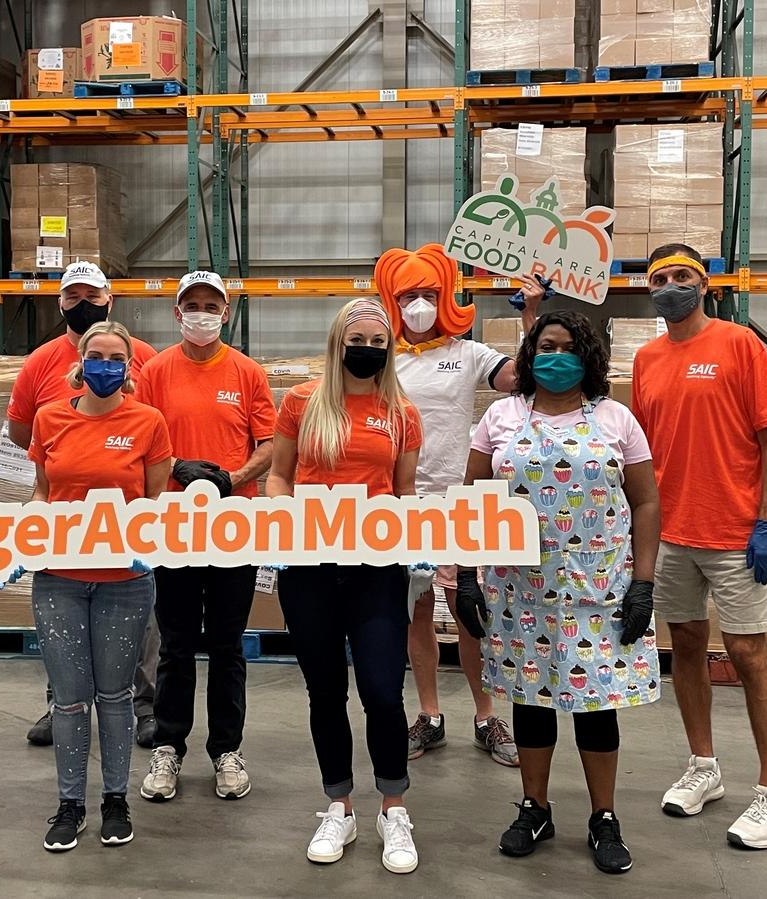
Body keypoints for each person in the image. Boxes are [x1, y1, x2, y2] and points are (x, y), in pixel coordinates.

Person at [457, 309, 661, 875]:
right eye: (545, 345)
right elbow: (471, 500)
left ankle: (604, 818)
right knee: (531, 699)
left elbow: (645, 501)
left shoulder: (617, 419)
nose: (556, 355)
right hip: (518, 588)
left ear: (588, 356)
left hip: (600, 587)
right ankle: (535, 808)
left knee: (596, 705)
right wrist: (468, 575)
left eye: (568, 346)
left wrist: (643, 583)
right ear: (528, 353)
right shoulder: (499, 416)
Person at [632, 244, 767, 850]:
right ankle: (704, 767)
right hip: (672, 533)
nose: (671, 286)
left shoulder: (738, 344)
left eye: (682, 277)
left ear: (705, 286)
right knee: (688, 649)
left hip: (734, 534)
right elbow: (642, 453)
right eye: (661, 279)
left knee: (750, 654)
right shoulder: (648, 359)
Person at [266, 299, 422, 875]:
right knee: (325, 691)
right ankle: (339, 804)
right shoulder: (302, 402)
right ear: (338, 342)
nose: (368, 349)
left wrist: (420, 547)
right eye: (358, 339)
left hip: (377, 572)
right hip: (309, 568)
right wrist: (283, 518)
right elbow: (279, 474)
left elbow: (404, 491)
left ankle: (394, 808)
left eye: (379, 343)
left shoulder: (401, 411)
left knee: (383, 690)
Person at [375, 244, 543, 766]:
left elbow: (523, 379)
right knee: (414, 614)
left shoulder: (468, 354)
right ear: (392, 301)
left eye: (428, 293)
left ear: (445, 296)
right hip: (400, 504)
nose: (419, 304)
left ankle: (486, 716)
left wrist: (532, 315)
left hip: (460, 502)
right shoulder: (380, 358)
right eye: (408, 296)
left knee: (471, 613)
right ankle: (428, 715)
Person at [24, 321, 172, 851]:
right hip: (59, 577)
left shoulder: (148, 421)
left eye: (116, 358)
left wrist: (146, 548)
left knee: (115, 696)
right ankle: (69, 805)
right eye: (96, 355)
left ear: (129, 367)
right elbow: (43, 493)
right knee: (67, 699)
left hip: (124, 582)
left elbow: (155, 502)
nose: (105, 365)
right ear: (80, 361)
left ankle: (115, 799)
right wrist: (21, 541)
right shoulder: (50, 418)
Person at [5, 260, 161, 748]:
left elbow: (153, 430)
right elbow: (22, 431)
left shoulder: (146, 358)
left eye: (91, 295)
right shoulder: (40, 362)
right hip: (67, 527)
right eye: (72, 297)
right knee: (65, 630)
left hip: (128, 527)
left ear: (109, 299)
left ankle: (144, 705)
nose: (83, 304)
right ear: (60, 303)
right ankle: (61, 703)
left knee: (138, 630)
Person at [135, 271, 276, 803]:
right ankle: (169, 747)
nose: (200, 313)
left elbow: (268, 444)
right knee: (174, 643)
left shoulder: (246, 372)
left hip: (232, 528)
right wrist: (177, 466)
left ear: (225, 313)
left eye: (209, 305)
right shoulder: (154, 372)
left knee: (225, 644)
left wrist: (229, 479)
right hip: (172, 525)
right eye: (190, 305)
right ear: (177, 314)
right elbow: (140, 438)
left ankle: (226, 750)